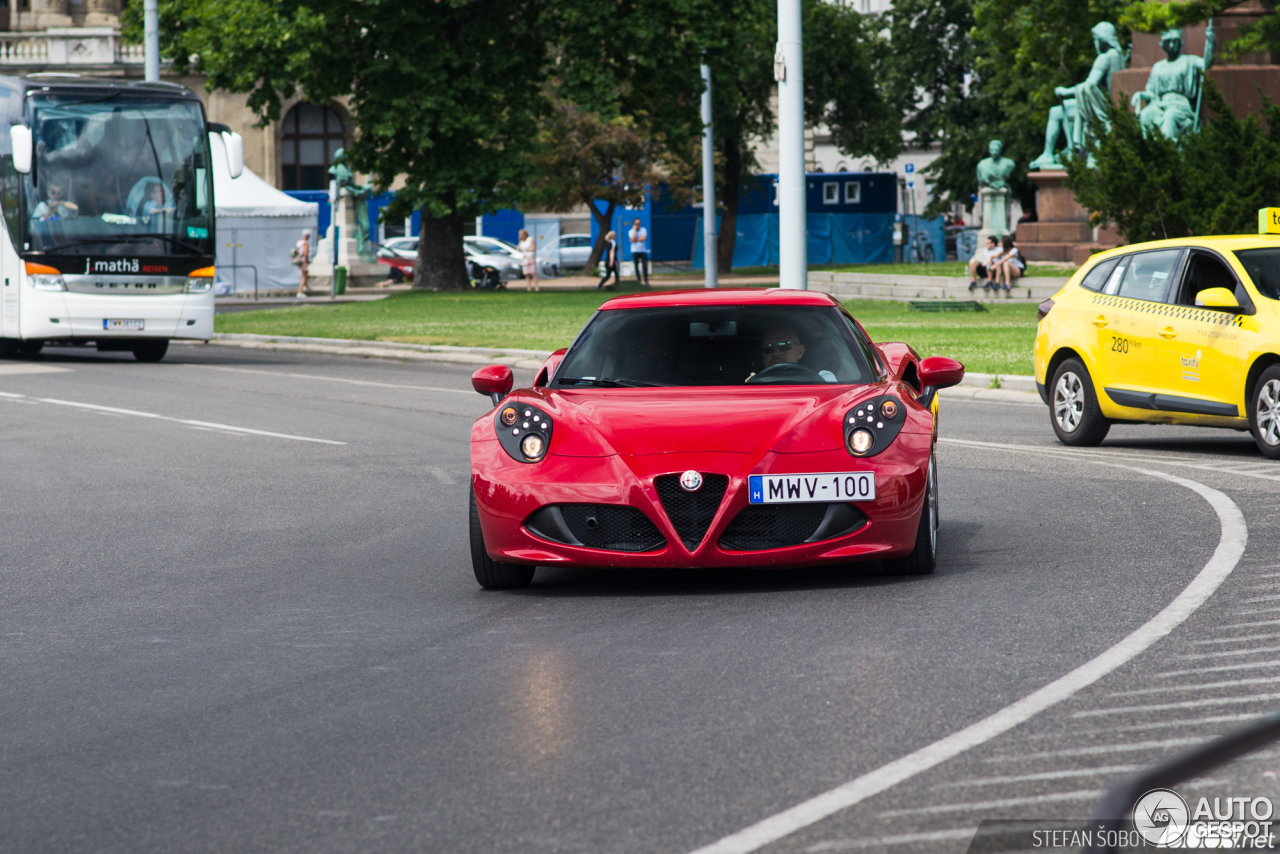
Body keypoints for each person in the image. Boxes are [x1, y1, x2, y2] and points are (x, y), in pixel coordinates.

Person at [628, 218, 650, 286]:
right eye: (637, 224)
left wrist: (635, 240)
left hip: (642, 250)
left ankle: (646, 281)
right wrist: (634, 230)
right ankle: (638, 280)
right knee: (636, 266)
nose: (638, 225)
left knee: (645, 266)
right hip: (635, 251)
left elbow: (644, 238)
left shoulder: (643, 230)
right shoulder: (631, 231)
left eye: (639, 223)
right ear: (634, 224)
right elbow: (632, 239)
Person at [292, 229, 311, 298]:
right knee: (304, 276)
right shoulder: (305, 244)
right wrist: (307, 260)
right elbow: (306, 253)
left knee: (305, 273)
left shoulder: (299, 242)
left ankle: (306, 286)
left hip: (299, 261)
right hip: (303, 261)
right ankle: (300, 292)